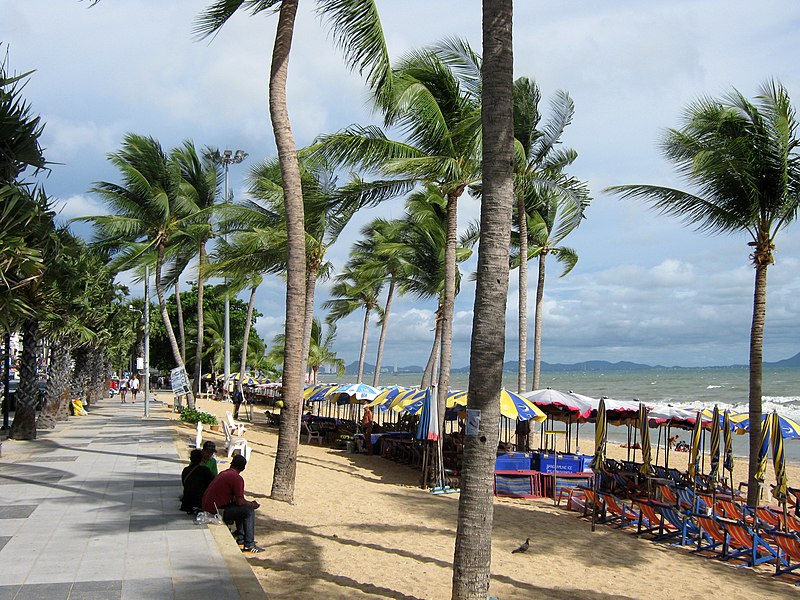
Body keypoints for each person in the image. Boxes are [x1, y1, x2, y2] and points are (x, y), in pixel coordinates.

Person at [201, 454, 263, 553]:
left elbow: (236, 500)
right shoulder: (237, 478)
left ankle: (241, 538)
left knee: (242, 509)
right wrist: (251, 504)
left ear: (231, 463)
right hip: (216, 511)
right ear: (243, 467)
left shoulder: (224, 473)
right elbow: (240, 501)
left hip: (209, 508)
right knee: (248, 511)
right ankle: (249, 544)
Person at [180, 449, 214, 514]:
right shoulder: (204, 470)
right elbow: (213, 483)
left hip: (186, 502)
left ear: (190, 458)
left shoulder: (185, 470)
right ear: (201, 459)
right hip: (199, 502)